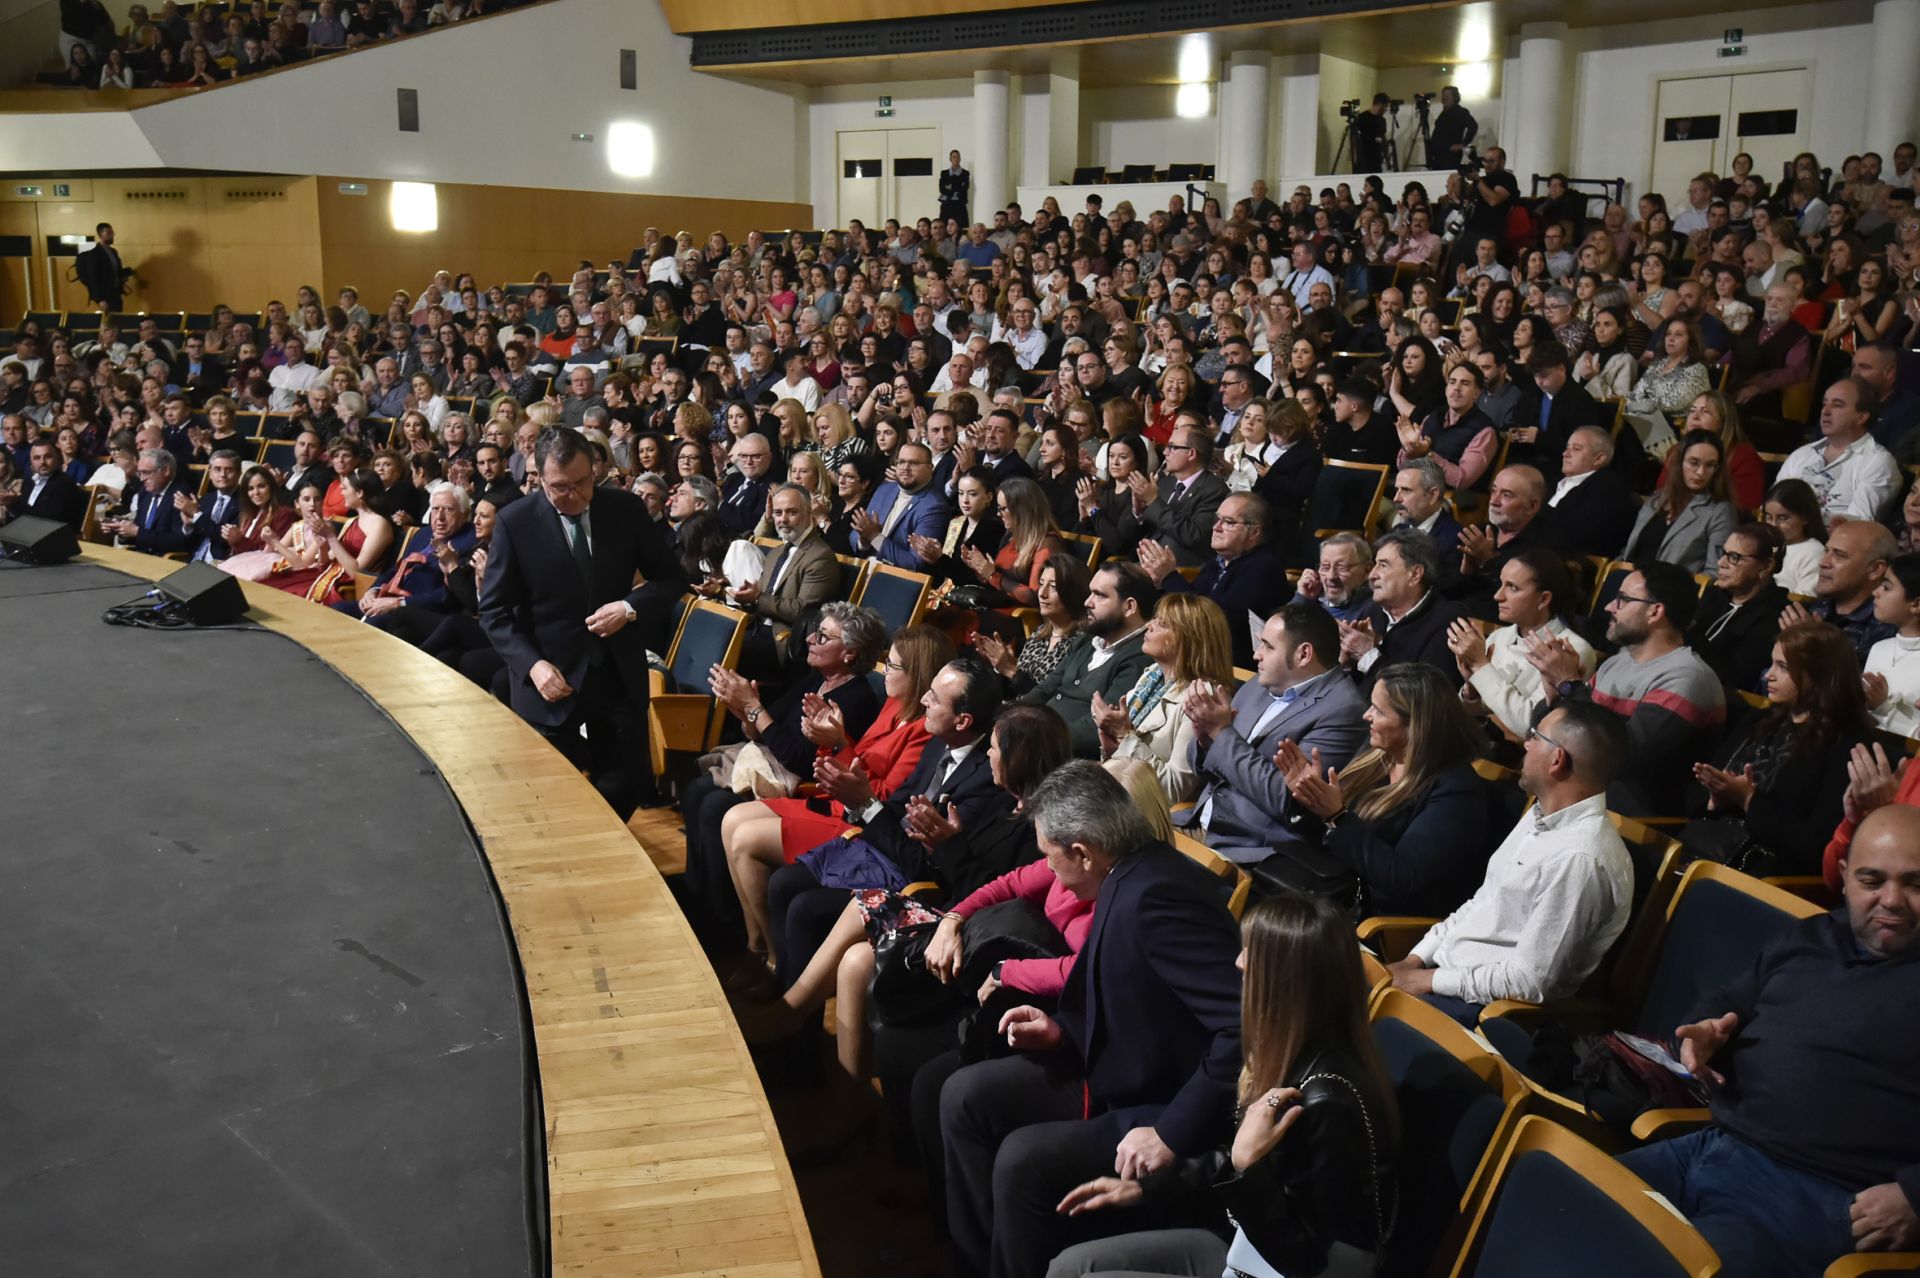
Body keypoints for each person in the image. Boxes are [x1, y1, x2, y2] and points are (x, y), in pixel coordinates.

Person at [937, 762, 1244, 1278]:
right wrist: (1063, 1030)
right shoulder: (1125, 875)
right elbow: (1134, 997)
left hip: (1167, 1101)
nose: (1050, 872)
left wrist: (1168, 1134)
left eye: (1050, 858)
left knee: (1022, 1159)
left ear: (1083, 851)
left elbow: (1240, 1028)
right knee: (962, 1097)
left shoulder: (1158, 897)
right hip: (1113, 1064)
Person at [1618, 804, 1920, 1278]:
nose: (1893, 899)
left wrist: (1915, 1196)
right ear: (1844, 877)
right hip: (1709, 1145)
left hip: (1810, 1195)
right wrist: (1704, 1028)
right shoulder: (1813, 936)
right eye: (1872, 880)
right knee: (1565, 1211)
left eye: (1915, 883)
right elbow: (1729, 998)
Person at [740, 704, 1074, 1113]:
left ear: (1018, 757)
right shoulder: (1005, 804)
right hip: (955, 914)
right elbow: (975, 879)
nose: (987, 754)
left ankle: (792, 1018)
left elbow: (1005, 900)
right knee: (854, 961)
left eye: (994, 747)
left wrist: (948, 849)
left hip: (979, 938)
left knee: (864, 912)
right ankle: (850, 1101)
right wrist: (944, 845)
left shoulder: (1036, 826)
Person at [1047, 894, 1399, 1278]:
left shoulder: (1329, 1101)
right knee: (1070, 1267)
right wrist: (1149, 1191)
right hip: (1249, 1243)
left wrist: (1245, 1169)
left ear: (1286, 980)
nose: (1239, 961)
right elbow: (1234, 1163)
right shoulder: (1289, 1052)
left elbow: (1307, 1261)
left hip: (1279, 1261)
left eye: (1253, 953)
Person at [718, 625, 951, 978]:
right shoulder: (893, 704)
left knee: (745, 840)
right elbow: (859, 762)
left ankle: (770, 957)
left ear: (917, 673)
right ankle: (756, 943)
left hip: (857, 822)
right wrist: (832, 740)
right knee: (732, 819)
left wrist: (841, 743)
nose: (884, 670)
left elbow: (881, 797)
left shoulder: (923, 730)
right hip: (837, 802)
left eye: (893, 665)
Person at [1387, 699, 1632, 1021]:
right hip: (1446, 977)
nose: (1526, 743)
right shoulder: (1541, 814)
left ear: (1557, 760)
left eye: (1535, 736)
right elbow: (1483, 902)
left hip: (1486, 1009)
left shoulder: (1581, 859)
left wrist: (1429, 980)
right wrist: (1416, 959)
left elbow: (1530, 982)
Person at [478, 427, 673, 820]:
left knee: (627, 784)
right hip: (549, 679)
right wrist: (532, 666)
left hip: (614, 672)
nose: (576, 496)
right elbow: (494, 611)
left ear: (596, 468)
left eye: (584, 482)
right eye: (561, 488)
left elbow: (670, 579)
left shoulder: (625, 509)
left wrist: (628, 608)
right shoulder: (516, 522)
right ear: (539, 478)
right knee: (548, 799)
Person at [1274, 662, 1491, 919]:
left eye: (1379, 711)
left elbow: (1401, 877)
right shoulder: (1379, 754)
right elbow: (1326, 835)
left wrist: (1338, 817)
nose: (1367, 715)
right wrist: (1309, 796)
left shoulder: (1457, 792)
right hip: (1329, 890)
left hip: (1382, 921)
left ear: (1415, 725)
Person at [1176, 603, 1369, 865]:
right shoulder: (1260, 683)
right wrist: (1204, 739)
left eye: (1268, 646)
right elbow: (1206, 768)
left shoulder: (1344, 711)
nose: (1256, 655)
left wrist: (1220, 732)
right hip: (1197, 823)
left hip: (1249, 851)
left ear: (1303, 654)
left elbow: (1287, 801)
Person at [1532, 561, 1727, 816]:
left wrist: (1570, 685)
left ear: (1655, 612)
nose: (1609, 607)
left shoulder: (1687, 677)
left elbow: (1624, 755)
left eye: (1622, 600)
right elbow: (1540, 732)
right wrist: (1555, 692)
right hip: (1583, 803)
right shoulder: (1616, 662)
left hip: (1634, 821)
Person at [1683, 622, 1871, 877]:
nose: (1767, 675)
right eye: (1772, 664)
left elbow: (1815, 845)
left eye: (1783, 667)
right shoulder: (1757, 721)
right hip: (1705, 847)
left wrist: (1748, 800)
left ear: (1819, 674)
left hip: (1769, 876)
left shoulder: (1846, 745)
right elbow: (1693, 791)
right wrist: (1714, 799)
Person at [1094, 593, 1236, 809]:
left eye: (1162, 624)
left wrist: (1124, 736)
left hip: (1148, 814)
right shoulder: (1153, 676)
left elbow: (1173, 790)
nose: (1149, 625)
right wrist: (1110, 745)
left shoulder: (1202, 700)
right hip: (1119, 796)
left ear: (1188, 639)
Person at [1449, 549, 1598, 741]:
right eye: (1501, 584)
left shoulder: (1573, 650)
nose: (1497, 596)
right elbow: (1477, 712)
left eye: (1512, 587)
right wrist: (1471, 691)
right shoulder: (1499, 637)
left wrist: (1481, 667)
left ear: (1543, 599)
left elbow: (1531, 726)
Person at [1015, 562, 1158, 758]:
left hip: (1063, 758)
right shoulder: (1088, 639)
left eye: (1100, 595)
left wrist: (1038, 738)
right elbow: (1047, 688)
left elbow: (1098, 727)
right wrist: (1009, 715)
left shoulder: (1141, 656)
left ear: (1129, 607)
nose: (1087, 602)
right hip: (1037, 738)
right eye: (1091, 593)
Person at [1139, 492, 1291, 669]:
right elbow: (1193, 604)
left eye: (1228, 522)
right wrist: (1159, 582)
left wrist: (1169, 577)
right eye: (1217, 519)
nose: (1216, 527)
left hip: (1229, 669)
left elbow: (1211, 621)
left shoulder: (1264, 569)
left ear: (1254, 532)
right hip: (1198, 656)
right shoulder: (1217, 563)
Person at [1343, 527, 1465, 686]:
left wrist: (1368, 656)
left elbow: (1425, 696)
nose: (1372, 575)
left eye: (1383, 565)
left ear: (1414, 574)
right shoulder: (1372, 610)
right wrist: (1347, 664)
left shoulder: (1448, 623)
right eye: (1375, 565)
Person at [1776, 377, 1903, 525]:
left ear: (1862, 417)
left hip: (1833, 545)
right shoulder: (1801, 455)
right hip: (1784, 542)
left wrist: (1795, 518)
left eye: (1837, 405)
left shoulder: (1877, 462)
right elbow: (1773, 505)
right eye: (1824, 404)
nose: (1825, 411)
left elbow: (1858, 524)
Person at [1689, 523, 1792, 694]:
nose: (1721, 563)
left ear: (1766, 566)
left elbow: (1735, 678)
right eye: (1723, 553)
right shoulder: (1714, 594)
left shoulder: (1776, 616)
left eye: (1734, 557)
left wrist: (1689, 630)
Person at [1779, 519, 1899, 666]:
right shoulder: (1808, 611)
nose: (1823, 562)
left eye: (1840, 555)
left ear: (1875, 569)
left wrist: (1814, 648)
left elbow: (1857, 685)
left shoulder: (1888, 626)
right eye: (1826, 551)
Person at [1620, 429, 1740, 574]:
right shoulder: (1656, 500)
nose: (1701, 472)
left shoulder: (1720, 511)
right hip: (1630, 583)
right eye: (1694, 463)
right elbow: (1628, 552)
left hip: (1671, 591)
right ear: (1679, 462)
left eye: (1710, 465)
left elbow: (1715, 572)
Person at [1134, 425, 1229, 567]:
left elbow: (1194, 535)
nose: (1165, 452)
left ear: (1191, 453)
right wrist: (1140, 512)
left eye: (1172, 447)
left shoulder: (1215, 490)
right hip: (1146, 563)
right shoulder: (1165, 483)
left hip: (1180, 570)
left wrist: (1153, 502)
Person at [852, 440, 952, 567]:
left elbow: (915, 563)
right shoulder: (885, 489)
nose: (905, 468)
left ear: (930, 467)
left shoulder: (935, 507)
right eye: (901, 462)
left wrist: (874, 537)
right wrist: (863, 541)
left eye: (913, 463)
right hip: (862, 565)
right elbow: (854, 535)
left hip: (892, 578)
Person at [1547, 425, 1639, 560]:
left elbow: (1582, 532)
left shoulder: (1609, 487)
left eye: (1576, 449)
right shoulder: (1554, 482)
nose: (1565, 453)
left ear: (1599, 458)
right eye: (1567, 447)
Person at [1864, 554, 1920, 737]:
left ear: (1916, 604)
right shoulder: (1879, 648)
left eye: (1886, 587)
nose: (1875, 592)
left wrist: (1883, 709)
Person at [1763, 477, 1827, 596]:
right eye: (1768, 517)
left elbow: (1806, 597)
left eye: (1783, 518)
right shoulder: (1767, 546)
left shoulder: (1813, 551)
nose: (1773, 525)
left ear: (1805, 517)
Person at [18, 434, 84, 530]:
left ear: (57, 458)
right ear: (31, 462)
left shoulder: (65, 484)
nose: (42, 462)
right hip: (27, 532)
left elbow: (51, 519)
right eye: (37, 458)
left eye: (48, 457)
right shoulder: (28, 482)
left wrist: (14, 504)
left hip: (53, 537)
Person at [74, 222, 132, 310]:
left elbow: (114, 271)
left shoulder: (113, 251)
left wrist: (125, 274)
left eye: (112, 233)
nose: (112, 235)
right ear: (100, 234)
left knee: (117, 319)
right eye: (108, 233)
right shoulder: (95, 254)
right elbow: (94, 277)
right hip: (104, 296)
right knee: (108, 321)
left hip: (115, 293)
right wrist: (100, 299)